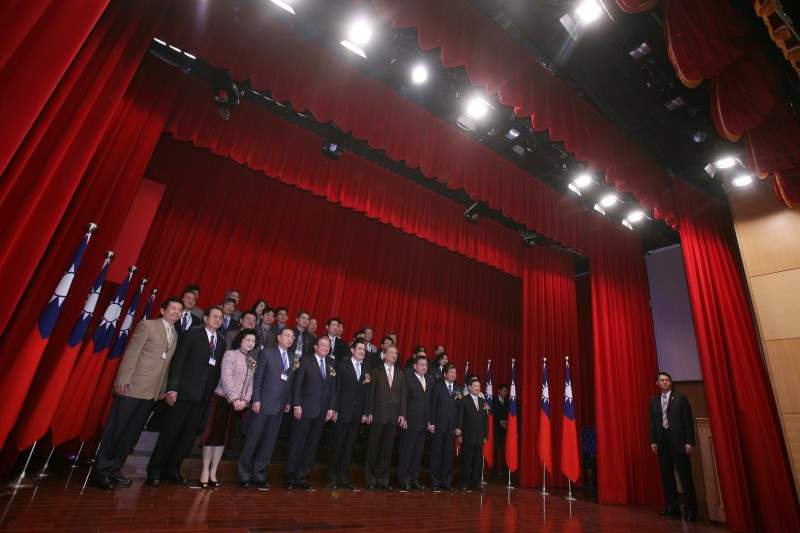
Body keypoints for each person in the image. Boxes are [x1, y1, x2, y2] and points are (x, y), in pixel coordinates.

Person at [91, 297, 182, 490]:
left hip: (151, 393)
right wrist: (122, 381)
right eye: (173, 308)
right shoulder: (147, 326)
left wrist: (162, 388)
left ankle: (115, 470)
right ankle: (101, 472)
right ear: (163, 310)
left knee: (131, 434)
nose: (177, 312)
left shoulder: (175, 334)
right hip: (133, 387)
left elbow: (166, 365)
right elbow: (131, 354)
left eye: (180, 310)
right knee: (116, 430)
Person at [146, 306, 226, 486]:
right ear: (205, 318)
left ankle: (173, 470)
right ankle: (155, 471)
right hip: (182, 393)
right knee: (170, 432)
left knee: (187, 436)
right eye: (214, 316)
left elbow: (216, 371)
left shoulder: (221, 342)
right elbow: (178, 361)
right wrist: (172, 388)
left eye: (220, 317)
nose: (218, 319)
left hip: (202, 398)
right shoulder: (192, 334)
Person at [198, 328, 258, 488]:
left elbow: (251, 384)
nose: (251, 343)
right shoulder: (230, 354)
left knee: (224, 439)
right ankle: (205, 470)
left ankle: (213, 471)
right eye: (248, 340)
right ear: (241, 340)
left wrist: (245, 400)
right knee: (213, 436)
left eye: (253, 341)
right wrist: (234, 398)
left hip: (239, 406)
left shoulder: (252, 361)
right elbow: (226, 377)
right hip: (223, 400)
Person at [238, 327, 297, 488]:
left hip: (280, 406)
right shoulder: (267, 353)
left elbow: (290, 382)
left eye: (292, 337)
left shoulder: (292, 357)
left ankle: (259, 474)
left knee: (269, 442)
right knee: (253, 439)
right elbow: (258, 378)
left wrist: (288, 401)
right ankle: (244, 473)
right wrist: (256, 399)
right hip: (263, 404)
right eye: (287, 335)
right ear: (279, 337)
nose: (290, 339)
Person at [284, 336, 337, 490]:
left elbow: (332, 389)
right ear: (315, 346)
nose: (326, 348)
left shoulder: (332, 364)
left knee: (312, 447)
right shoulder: (306, 361)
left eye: (328, 346)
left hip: (321, 412)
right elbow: (297, 384)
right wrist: (296, 405)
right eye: (323, 345)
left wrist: (331, 408)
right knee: (297, 444)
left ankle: (303, 478)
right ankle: (290, 478)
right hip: (304, 410)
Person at [649, 371, 698, 522]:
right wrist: (653, 441)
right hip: (662, 442)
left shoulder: (680, 398)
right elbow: (652, 423)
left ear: (670, 382)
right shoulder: (654, 401)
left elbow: (688, 421)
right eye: (662, 380)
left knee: (685, 476)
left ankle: (691, 509)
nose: (664, 382)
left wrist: (689, 441)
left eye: (667, 380)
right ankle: (673, 506)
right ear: (657, 383)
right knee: (667, 476)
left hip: (679, 442)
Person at [329, 338, 370, 490]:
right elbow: (336, 388)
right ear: (352, 350)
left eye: (364, 349)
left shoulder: (366, 368)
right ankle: (333, 477)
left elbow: (366, 393)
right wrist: (334, 409)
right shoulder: (343, 365)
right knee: (338, 445)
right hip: (342, 411)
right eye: (359, 349)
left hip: (356, 414)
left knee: (349, 447)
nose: (362, 351)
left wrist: (365, 412)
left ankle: (344, 478)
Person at [365, 344, 407, 490]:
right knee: (373, 448)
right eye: (391, 353)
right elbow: (371, 393)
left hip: (393, 416)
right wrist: (369, 411)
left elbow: (403, 396)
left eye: (396, 353)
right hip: (377, 415)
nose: (394, 355)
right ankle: (371, 479)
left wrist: (402, 414)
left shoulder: (401, 374)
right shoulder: (376, 371)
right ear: (384, 354)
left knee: (387, 450)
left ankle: (383, 479)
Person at [397, 354, 433, 491]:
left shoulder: (429, 380)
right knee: (407, 451)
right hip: (410, 422)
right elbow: (403, 399)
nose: (424, 367)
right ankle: (403, 479)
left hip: (423, 423)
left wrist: (429, 421)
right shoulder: (408, 379)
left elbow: (429, 402)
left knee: (418, 453)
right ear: (415, 366)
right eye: (421, 365)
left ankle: (414, 479)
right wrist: (403, 417)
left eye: (425, 365)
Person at [430, 363, 461, 492]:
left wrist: (459, 426)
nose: (453, 375)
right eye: (451, 372)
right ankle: (435, 482)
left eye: (455, 373)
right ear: (445, 374)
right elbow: (432, 405)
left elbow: (460, 410)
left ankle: (447, 482)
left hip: (451, 427)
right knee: (436, 454)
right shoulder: (438, 387)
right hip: (438, 425)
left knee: (448, 456)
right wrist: (431, 423)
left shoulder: (458, 389)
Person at [458, 377, 489, 492]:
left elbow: (486, 420)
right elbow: (461, 417)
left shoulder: (483, 401)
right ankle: (464, 482)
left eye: (479, 386)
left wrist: (485, 435)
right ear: (469, 387)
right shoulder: (464, 400)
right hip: (467, 435)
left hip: (480, 436)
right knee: (466, 460)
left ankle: (476, 482)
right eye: (475, 386)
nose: (477, 388)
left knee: (478, 461)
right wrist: (460, 433)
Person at [492, 383, 509, 475]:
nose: (505, 393)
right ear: (499, 391)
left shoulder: (508, 402)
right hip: (495, 429)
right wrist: (499, 421)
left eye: (506, 391)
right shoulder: (493, 400)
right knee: (494, 449)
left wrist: (506, 422)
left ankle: (503, 470)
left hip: (505, 429)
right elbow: (491, 414)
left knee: (504, 450)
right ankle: (494, 470)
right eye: (504, 391)